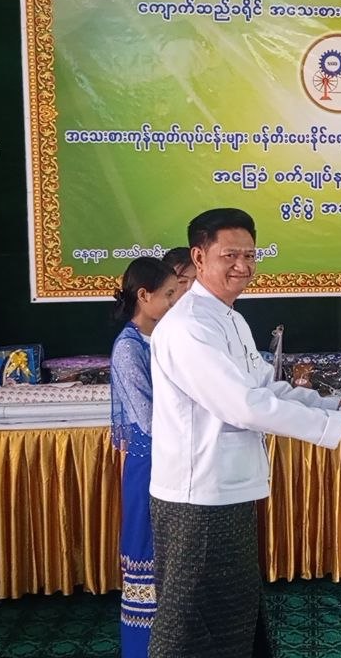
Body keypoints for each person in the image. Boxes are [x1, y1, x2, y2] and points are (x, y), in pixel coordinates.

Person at [148, 208, 341, 658]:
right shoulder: (188, 327)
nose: (242, 266)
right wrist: (334, 426)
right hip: (199, 497)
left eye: (250, 255)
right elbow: (243, 405)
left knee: (232, 615)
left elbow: (265, 388)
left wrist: (334, 404)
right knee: (191, 625)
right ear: (199, 257)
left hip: (228, 490)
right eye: (230, 255)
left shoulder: (230, 319)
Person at [110, 257, 183, 658]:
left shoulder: (163, 339)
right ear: (144, 295)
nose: (175, 301)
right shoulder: (128, 348)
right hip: (150, 465)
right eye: (169, 294)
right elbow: (149, 419)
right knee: (147, 557)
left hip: (172, 460)